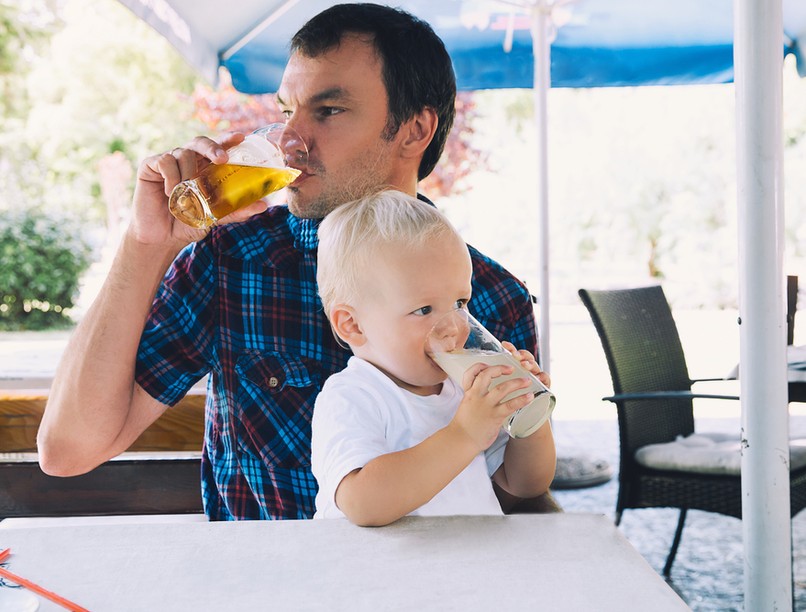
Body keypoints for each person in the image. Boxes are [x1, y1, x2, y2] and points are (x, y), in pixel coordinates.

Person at [37, 3, 549, 520]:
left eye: (328, 111)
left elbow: (513, 496)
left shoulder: (494, 297)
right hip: (262, 571)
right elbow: (67, 451)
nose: (289, 141)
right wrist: (146, 244)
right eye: (287, 113)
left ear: (414, 130)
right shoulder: (231, 262)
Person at [312, 191, 556, 525]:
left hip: (468, 557)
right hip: (376, 561)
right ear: (353, 325)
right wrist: (464, 434)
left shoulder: (464, 390)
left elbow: (524, 485)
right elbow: (363, 504)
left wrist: (528, 416)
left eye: (460, 303)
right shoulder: (352, 396)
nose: (453, 327)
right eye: (424, 310)